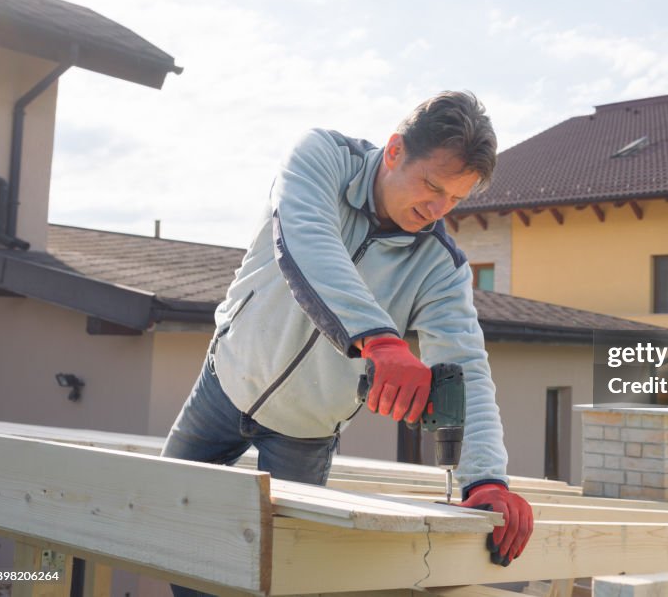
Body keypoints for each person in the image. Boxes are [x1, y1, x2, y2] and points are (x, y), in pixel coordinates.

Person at [161, 92, 533, 589]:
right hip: (226, 381)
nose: (437, 208)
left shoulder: (440, 268)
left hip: (307, 429)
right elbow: (307, 239)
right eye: (431, 186)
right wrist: (380, 341)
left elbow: (464, 369)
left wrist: (486, 479)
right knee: (163, 521)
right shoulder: (320, 158)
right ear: (395, 150)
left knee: (277, 573)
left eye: (455, 199)